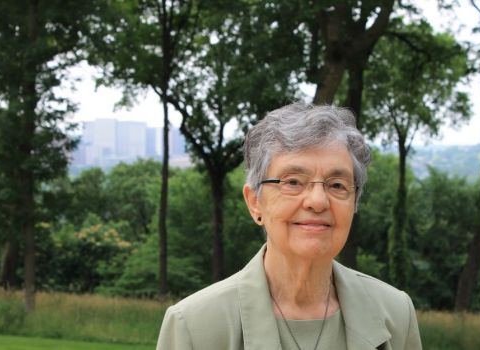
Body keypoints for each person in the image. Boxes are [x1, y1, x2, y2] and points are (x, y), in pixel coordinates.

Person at [156, 102, 422, 350]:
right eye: (293, 182)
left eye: (337, 185)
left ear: (354, 203)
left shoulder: (396, 315)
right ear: (254, 203)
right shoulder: (193, 327)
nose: (318, 201)